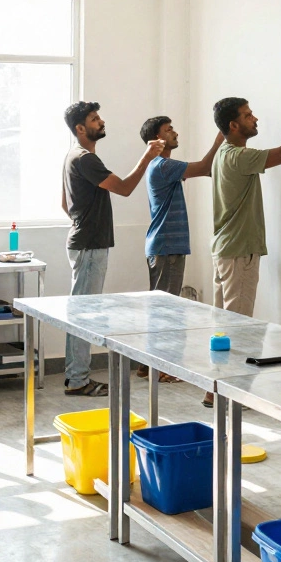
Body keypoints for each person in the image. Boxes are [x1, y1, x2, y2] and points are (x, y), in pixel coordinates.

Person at [202, 97, 281, 407]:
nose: (255, 118)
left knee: (222, 327)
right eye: (248, 115)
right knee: (239, 328)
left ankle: (215, 388)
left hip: (225, 251)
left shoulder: (223, 153)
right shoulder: (237, 156)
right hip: (239, 253)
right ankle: (231, 394)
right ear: (233, 125)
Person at [61, 101, 165, 397]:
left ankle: (75, 377)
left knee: (80, 311)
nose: (101, 121)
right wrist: (146, 156)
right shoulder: (85, 160)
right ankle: (78, 379)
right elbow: (125, 187)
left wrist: (83, 220)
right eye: (95, 119)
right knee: (84, 314)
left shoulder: (72, 156)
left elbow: (65, 205)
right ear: (81, 128)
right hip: (90, 246)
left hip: (84, 242)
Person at [135, 116, 223, 383]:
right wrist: (220, 137)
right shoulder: (163, 165)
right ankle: (163, 367)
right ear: (156, 140)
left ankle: (147, 365)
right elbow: (206, 166)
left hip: (163, 245)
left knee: (159, 308)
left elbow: (205, 170)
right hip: (167, 246)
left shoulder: (162, 166)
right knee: (166, 311)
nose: (174, 132)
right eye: (168, 130)